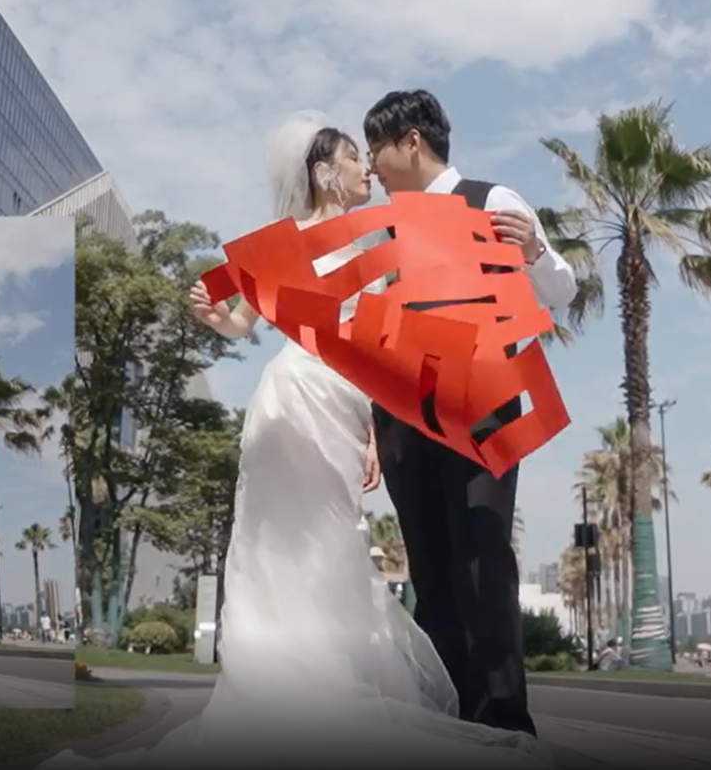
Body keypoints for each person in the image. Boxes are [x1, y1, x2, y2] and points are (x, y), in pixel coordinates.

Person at [32, 112, 554, 768]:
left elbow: (389, 343)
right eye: (355, 158)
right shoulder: (283, 241)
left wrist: (378, 427)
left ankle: (326, 685)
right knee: (285, 540)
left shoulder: (378, 238)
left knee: (336, 542)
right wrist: (215, 316)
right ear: (325, 172)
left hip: (349, 406)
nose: (368, 168)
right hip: (295, 398)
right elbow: (241, 322)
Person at [363, 90, 576, 736]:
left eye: (375, 148)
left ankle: (504, 719)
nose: (370, 166)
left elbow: (562, 291)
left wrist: (536, 252)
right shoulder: (388, 231)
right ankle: (448, 719)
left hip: (481, 410)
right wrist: (373, 426)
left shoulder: (493, 200)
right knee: (430, 570)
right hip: (405, 418)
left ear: (411, 141)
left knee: (483, 557)